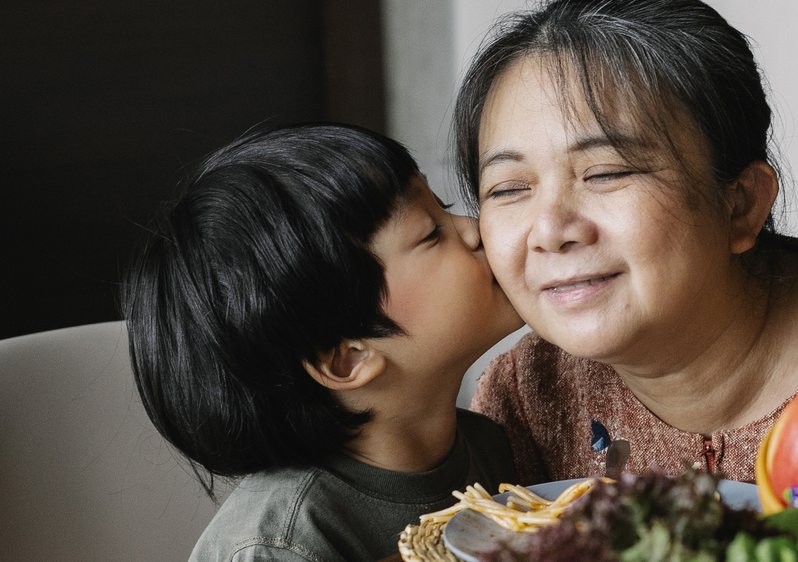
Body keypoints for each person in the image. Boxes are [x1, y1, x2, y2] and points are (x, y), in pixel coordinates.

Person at [453, 0, 798, 486]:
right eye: (508, 188)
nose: (550, 231)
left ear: (739, 205)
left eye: (604, 173)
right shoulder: (525, 395)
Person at [122, 123, 523, 561]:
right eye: (431, 232)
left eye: (444, 207)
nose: (475, 229)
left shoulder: (489, 448)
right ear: (347, 359)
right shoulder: (283, 546)